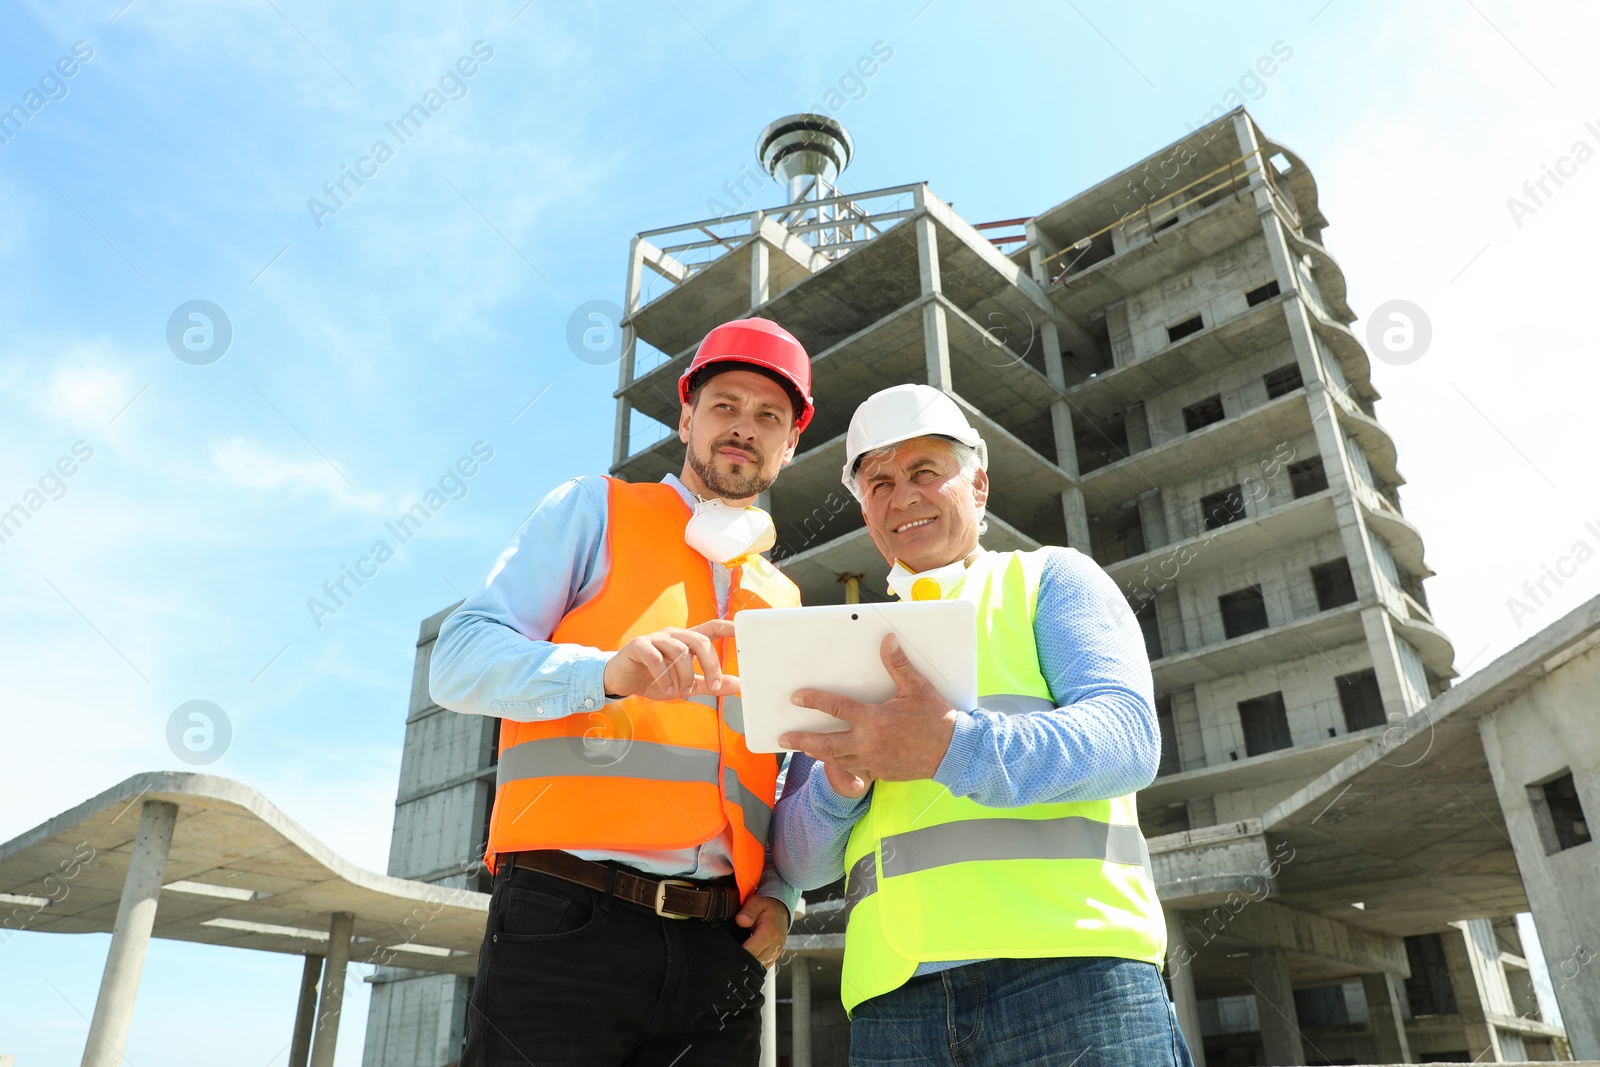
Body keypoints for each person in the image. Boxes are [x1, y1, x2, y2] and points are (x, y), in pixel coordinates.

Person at [430, 317, 813, 1066]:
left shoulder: (784, 596)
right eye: (725, 404)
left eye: (770, 415)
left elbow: (783, 773)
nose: (745, 428)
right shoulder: (594, 509)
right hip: (567, 923)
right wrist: (602, 674)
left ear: (791, 443)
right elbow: (459, 659)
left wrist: (785, 892)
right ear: (686, 417)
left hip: (719, 946)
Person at [774, 383, 1193, 1066]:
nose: (901, 496)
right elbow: (799, 861)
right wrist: (838, 787)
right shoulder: (836, 641)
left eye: (923, 472)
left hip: (1073, 975)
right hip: (895, 1004)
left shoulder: (1051, 581)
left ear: (979, 484)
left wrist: (951, 746)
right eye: (878, 482)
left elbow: (1127, 739)